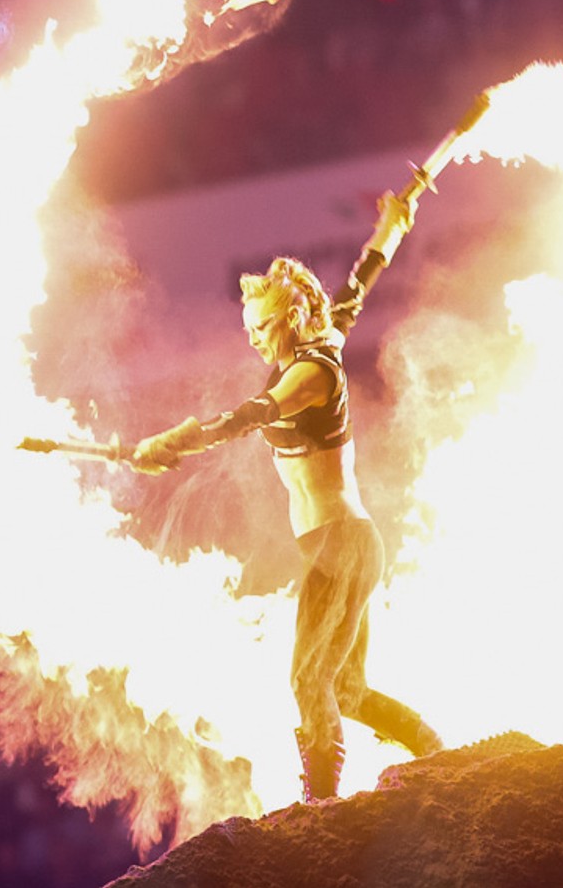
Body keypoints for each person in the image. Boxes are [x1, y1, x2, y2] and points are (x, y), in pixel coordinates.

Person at [131, 187, 443, 801]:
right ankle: (435, 752)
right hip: (342, 546)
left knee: (308, 680)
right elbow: (357, 286)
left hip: (341, 546)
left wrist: (178, 440)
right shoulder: (322, 344)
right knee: (345, 689)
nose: (253, 339)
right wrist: (391, 226)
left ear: (293, 319)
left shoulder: (312, 374)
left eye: (262, 327)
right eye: (249, 328)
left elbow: (251, 414)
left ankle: (320, 807)